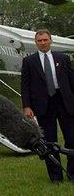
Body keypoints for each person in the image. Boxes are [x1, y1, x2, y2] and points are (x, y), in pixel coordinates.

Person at [21, 29, 74, 183]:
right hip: (43, 105)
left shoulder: (63, 58)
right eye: (39, 41)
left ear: (50, 40)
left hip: (65, 102)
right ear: (36, 43)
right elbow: (25, 86)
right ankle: (56, 177)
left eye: (45, 40)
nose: (43, 43)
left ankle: (72, 173)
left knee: (72, 139)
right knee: (49, 142)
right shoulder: (29, 62)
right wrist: (27, 106)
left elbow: (72, 81)